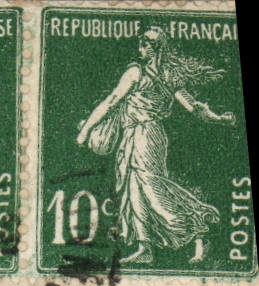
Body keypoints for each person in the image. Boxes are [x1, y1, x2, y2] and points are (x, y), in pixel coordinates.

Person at [76, 26, 234, 265]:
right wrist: (218, 118)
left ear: (150, 48)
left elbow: (111, 102)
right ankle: (145, 247)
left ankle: (199, 227)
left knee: (152, 188)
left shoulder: (135, 72)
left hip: (144, 135)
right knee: (135, 189)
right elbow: (194, 107)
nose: (140, 49)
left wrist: (85, 131)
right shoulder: (170, 76)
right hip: (145, 135)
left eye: (143, 45)